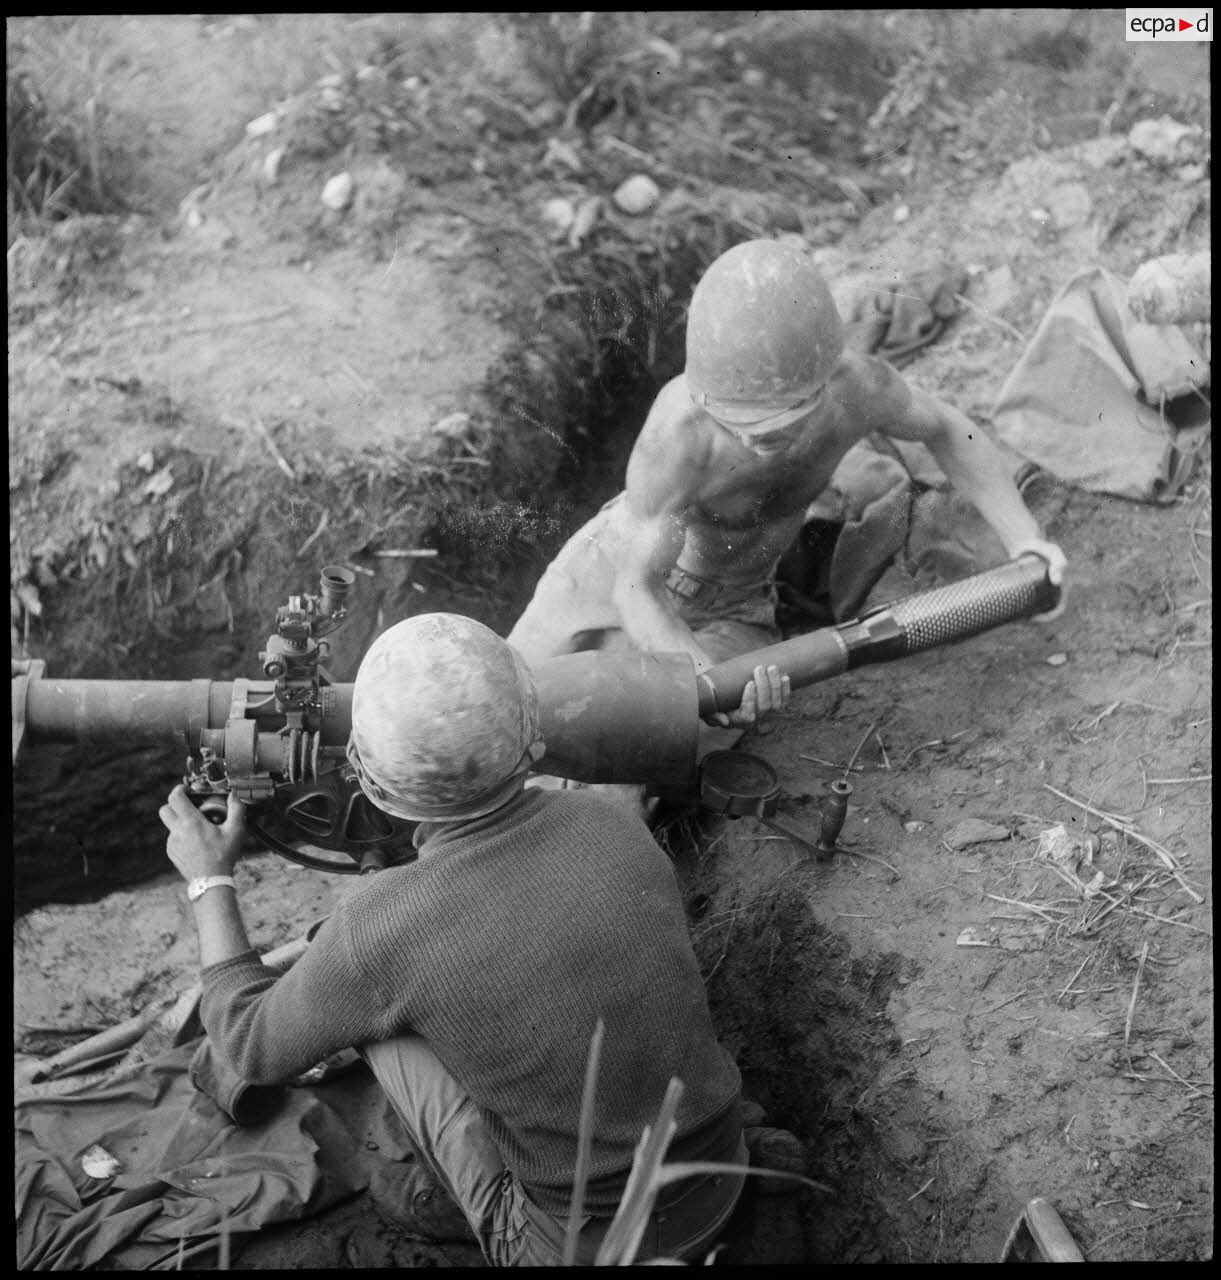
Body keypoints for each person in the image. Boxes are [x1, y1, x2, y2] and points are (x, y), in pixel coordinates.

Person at [159, 613, 752, 1267]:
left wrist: (208, 878)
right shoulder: (612, 822)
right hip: (726, 1177)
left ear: (373, 780)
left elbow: (249, 1046)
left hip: (579, 1248)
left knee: (379, 1018)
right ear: (530, 738)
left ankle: (451, 1202)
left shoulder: (379, 928)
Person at [507, 237, 1067, 758]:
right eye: (734, 421)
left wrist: (1026, 539)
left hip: (734, 605)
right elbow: (636, 587)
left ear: (824, 385)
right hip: (614, 574)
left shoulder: (859, 389)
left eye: (773, 425)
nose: (751, 438)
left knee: (621, 759)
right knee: (502, 711)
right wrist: (699, 678)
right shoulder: (679, 436)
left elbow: (949, 430)